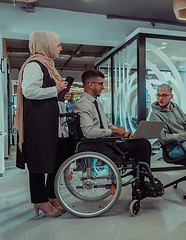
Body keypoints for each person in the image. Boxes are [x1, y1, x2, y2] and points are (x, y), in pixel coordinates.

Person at [15, 30, 69, 217]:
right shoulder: (34, 65)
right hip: (37, 124)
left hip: (48, 123)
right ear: (45, 45)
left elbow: (47, 93)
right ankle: (39, 200)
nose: (60, 48)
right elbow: (29, 91)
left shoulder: (48, 65)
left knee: (54, 158)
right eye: (57, 44)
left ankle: (50, 195)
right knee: (38, 162)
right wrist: (55, 89)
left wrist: (62, 94)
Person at [72, 69, 153, 195]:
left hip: (105, 142)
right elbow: (88, 132)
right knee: (142, 145)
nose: (103, 87)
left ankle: (141, 183)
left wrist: (123, 133)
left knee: (142, 142)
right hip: (98, 146)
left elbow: (106, 124)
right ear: (90, 84)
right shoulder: (83, 104)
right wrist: (113, 131)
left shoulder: (96, 103)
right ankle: (141, 185)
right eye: (100, 83)